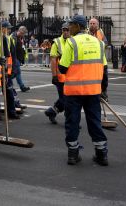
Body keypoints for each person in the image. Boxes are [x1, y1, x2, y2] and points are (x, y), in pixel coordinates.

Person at [59, 15, 109, 166]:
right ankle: (101, 155)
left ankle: (73, 155)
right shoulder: (99, 43)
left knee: (72, 122)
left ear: (77, 26)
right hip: (93, 91)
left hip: (74, 92)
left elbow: (62, 68)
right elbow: (105, 69)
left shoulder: (71, 42)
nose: (69, 29)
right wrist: (103, 90)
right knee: (95, 122)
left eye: (71, 26)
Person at [45, 23, 70, 124]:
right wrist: (54, 75)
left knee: (66, 99)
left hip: (71, 77)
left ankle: (52, 111)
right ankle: (70, 121)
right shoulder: (57, 42)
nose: (65, 32)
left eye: (67, 30)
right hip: (60, 77)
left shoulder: (73, 41)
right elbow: (53, 60)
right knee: (66, 100)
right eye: (63, 30)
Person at [11, 26, 30, 92]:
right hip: (14, 58)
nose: (23, 35)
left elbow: (22, 48)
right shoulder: (13, 37)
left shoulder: (21, 38)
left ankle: (18, 86)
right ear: (20, 31)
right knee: (15, 72)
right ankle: (18, 86)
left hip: (18, 58)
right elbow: (12, 49)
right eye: (23, 33)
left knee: (16, 73)